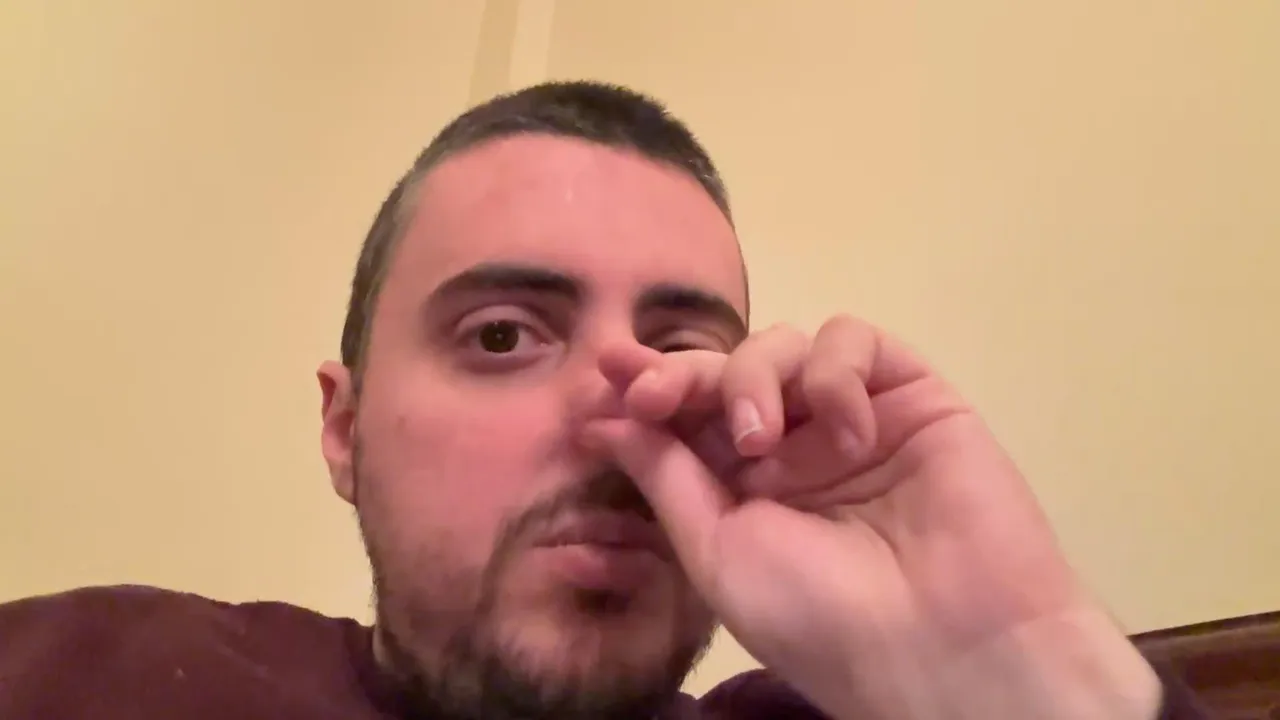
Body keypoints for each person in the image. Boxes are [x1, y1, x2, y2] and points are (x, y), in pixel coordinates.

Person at [0, 81, 1209, 720]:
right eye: (502, 336)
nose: (621, 409)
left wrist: (1029, 679)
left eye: (684, 347)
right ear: (344, 428)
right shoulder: (76, 675)